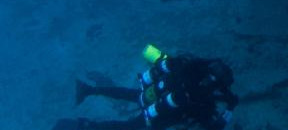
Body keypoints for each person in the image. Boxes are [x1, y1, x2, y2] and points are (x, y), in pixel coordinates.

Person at [52, 46, 238, 130]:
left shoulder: (192, 69)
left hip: (152, 93)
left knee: (126, 94)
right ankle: (89, 126)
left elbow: (173, 61)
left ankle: (90, 90)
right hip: (158, 114)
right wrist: (230, 108)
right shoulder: (204, 101)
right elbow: (214, 126)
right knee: (129, 126)